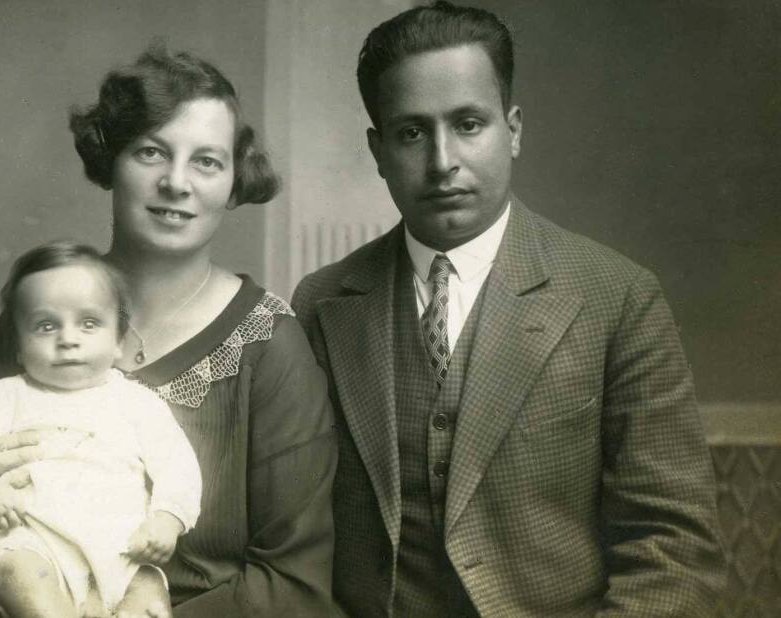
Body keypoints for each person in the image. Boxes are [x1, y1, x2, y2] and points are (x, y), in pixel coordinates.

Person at [292, 2, 726, 616]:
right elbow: (297, 543)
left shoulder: (617, 297)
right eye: (412, 132)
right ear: (378, 150)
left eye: (469, 124)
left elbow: (674, 549)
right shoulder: (322, 302)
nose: (443, 161)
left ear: (513, 129)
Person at [0, 45, 338, 618]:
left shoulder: (270, 347)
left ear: (233, 180)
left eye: (207, 161)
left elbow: (294, 584)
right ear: (110, 160)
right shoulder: (38, 317)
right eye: (151, 152)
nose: (176, 182)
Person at [0, 242, 202, 618]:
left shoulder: (137, 402)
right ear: (18, 347)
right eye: (46, 326)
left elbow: (179, 465)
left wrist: (167, 519)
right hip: (30, 544)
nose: (68, 339)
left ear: (118, 342)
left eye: (89, 323)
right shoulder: (9, 396)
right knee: (22, 574)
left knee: (150, 595)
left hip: (120, 556)